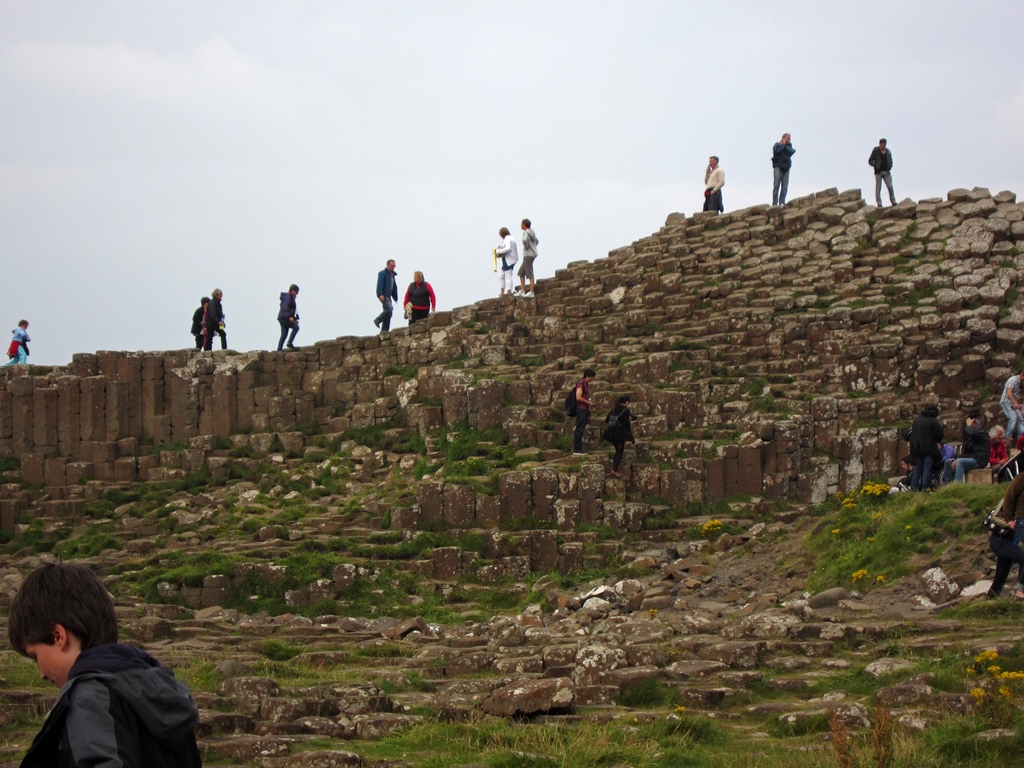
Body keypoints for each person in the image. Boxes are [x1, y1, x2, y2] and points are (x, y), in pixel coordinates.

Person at [7, 563, 202, 766]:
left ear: (58, 636)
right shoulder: (157, 691)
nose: (41, 674)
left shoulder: (89, 697)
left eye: (36, 656)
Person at [985, 474, 1024, 599]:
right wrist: (1010, 523)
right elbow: (992, 518)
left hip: (1010, 540)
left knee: (1000, 578)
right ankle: (1020, 594)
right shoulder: (1005, 501)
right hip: (999, 540)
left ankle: (990, 598)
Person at [942, 410, 990, 484]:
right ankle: (947, 484)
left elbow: (973, 434)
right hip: (971, 458)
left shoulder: (983, 434)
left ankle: (958, 485)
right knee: (948, 462)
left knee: (960, 462)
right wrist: (956, 459)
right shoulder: (971, 437)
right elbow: (965, 451)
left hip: (979, 461)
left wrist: (969, 426)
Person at [908, 404, 943, 491]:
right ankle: (925, 488)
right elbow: (939, 435)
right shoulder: (933, 421)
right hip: (929, 449)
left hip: (917, 449)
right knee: (927, 468)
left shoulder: (917, 420)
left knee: (918, 467)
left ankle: (913, 487)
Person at [603, 395, 637, 478]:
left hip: (610, 433)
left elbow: (607, 420)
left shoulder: (614, 409)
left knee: (618, 450)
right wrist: (632, 422)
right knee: (619, 451)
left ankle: (614, 470)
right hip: (619, 435)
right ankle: (614, 471)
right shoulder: (626, 410)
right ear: (626, 402)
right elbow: (626, 423)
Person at [572, 368, 597, 456]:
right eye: (592, 377)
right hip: (581, 409)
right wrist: (588, 403)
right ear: (588, 376)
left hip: (585, 409)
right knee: (579, 429)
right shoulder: (580, 384)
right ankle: (577, 449)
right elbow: (578, 397)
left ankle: (579, 448)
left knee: (581, 429)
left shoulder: (586, 384)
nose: (592, 379)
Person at [868, 138, 896, 207]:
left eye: (884, 144)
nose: (883, 145)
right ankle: (879, 203)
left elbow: (891, 161)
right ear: (880, 144)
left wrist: (890, 167)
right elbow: (870, 161)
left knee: (890, 186)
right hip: (878, 172)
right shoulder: (876, 150)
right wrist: (876, 166)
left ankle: (893, 201)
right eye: (882, 144)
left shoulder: (888, 151)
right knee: (878, 188)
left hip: (886, 172)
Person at [516, 219, 539, 297]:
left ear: (524, 224)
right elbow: (537, 241)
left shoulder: (526, 232)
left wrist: (526, 246)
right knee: (521, 272)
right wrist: (534, 247)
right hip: (532, 254)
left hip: (528, 254)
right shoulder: (532, 232)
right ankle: (522, 290)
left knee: (529, 272)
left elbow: (525, 240)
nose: (520, 225)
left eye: (521, 224)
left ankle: (531, 292)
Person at [374, 259, 398, 332]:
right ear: (388, 265)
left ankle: (384, 330)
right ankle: (378, 320)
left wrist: (395, 297)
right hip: (384, 295)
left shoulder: (392, 275)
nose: (393, 267)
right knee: (389, 308)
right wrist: (380, 294)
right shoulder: (382, 273)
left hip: (389, 296)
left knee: (389, 313)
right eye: (391, 266)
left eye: (394, 266)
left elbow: (393, 286)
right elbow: (380, 284)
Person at [771, 133, 796, 206]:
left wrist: (785, 145)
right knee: (776, 185)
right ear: (784, 138)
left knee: (785, 186)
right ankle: (774, 203)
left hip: (786, 168)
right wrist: (782, 144)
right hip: (778, 167)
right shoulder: (777, 145)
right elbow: (777, 151)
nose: (789, 140)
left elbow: (792, 152)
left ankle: (782, 202)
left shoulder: (789, 146)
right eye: (788, 138)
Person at [1000, 371, 1024, 445]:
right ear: (1022, 375)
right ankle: (1008, 435)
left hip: (1012, 403)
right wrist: (1015, 402)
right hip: (1006, 401)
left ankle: (1021, 435)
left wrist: (1017, 401)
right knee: (1013, 417)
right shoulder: (1013, 380)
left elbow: (1014, 394)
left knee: (1020, 418)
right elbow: (1009, 393)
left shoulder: (1019, 382)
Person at [495, 227, 519, 296]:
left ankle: (508, 291)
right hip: (508, 259)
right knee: (501, 276)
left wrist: (498, 251)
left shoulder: (508, 239)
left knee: (508, 275)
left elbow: (507, 248)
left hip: (509, 260)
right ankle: (502, 291)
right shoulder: (511, 239)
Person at [277, 284, 300, 350]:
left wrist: (294, 318)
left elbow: (290, 309)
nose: (296, 294)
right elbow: (285, 307)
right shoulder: (288, 296)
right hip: (285, 317)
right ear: (292, 290)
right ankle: (289, 343)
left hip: (282, 317)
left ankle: (279, 350)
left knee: (284, 334)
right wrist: (289, 316)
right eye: (296, 292)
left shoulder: (288, 297)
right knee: (296, 327)